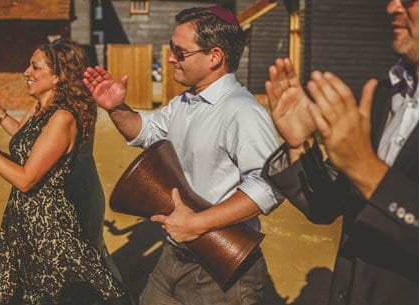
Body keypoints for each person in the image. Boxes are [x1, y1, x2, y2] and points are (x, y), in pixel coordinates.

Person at [82, 6, 281, 305]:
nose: (171, 57)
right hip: (172, 259)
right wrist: (115, 108)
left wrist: (198, 224)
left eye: (180, 51)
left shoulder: (243, 110)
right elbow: (145, 131)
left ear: (214, 56)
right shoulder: (185, 102)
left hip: (222, 268)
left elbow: (269, 186)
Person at [262, 0, 419, 304]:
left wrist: (365, 168)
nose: (391, 8)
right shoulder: (385, 95)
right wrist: (300, 145)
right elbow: (330, 208)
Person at [0, 39, 127, 305]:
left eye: (35, 67)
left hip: (52, 222)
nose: (26, 72)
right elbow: (25, 141)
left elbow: (26, 179)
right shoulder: (41, 107)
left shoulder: (62, 117)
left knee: (66, 288)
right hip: (24, 217)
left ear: (58, 76)